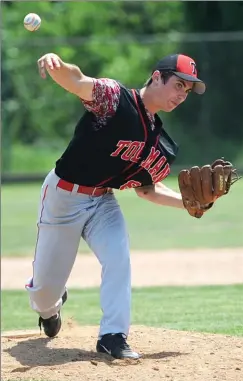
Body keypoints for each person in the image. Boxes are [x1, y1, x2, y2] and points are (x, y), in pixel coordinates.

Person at [25, 52, 206, 359]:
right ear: (157, 76)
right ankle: (52, 305)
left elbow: (148, 190)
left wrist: (191, 204)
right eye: (178, 85)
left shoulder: (157, 139)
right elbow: (78, 80)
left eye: (187, 91)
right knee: (44, 295)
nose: (181, 95)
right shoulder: (115, 98)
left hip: (102, 202)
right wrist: (57, 65)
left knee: (119, 257)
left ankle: (113, 336)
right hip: (63, 198)